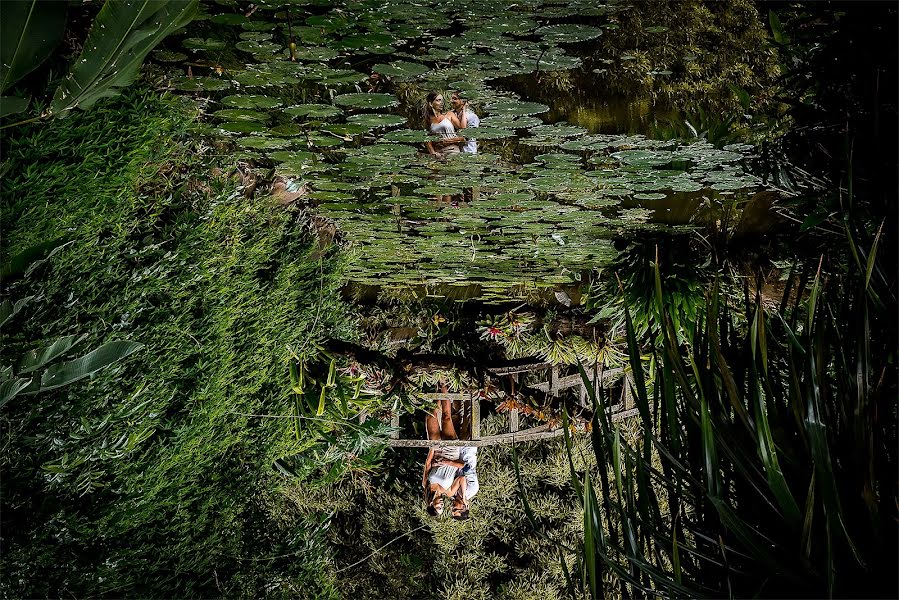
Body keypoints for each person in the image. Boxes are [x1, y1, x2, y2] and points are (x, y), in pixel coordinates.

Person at [422, 394, 465, 516]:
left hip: (437, 451)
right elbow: (462, 477)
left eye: (438, 506)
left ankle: (437, 390)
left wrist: (432, 449)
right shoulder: (449, 492)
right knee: (446, 417)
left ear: (430, 504)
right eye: (442, 506)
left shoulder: (426, 485)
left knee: (431, 416)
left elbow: (427, 465)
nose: (441, 504)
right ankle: (444, 384)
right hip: (451, 453)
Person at [423, 91, 467, 159]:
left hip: (452, 150)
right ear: (431, 104)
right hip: (438, 153)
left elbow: (464, 132)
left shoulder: (449, 114)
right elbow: (427, 139)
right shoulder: (428, 119)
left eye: (442, 100)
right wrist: (433, 152)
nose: (441, 103)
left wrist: (464, 110)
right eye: (438, 100)